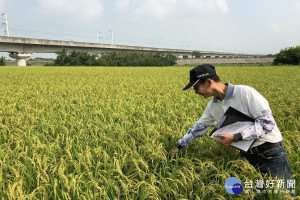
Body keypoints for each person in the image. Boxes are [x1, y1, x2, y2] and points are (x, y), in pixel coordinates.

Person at [170, 64, 293, 194]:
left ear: (208, 82)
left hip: (270, 152)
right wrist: (179, 146)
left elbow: (267, 123)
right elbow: (198, 129)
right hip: (247, 156)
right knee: (258, 194)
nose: (195, 92)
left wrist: (236, 137)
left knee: (282, 194)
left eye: (196, 87)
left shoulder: (245, 93)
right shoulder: (212, 107)